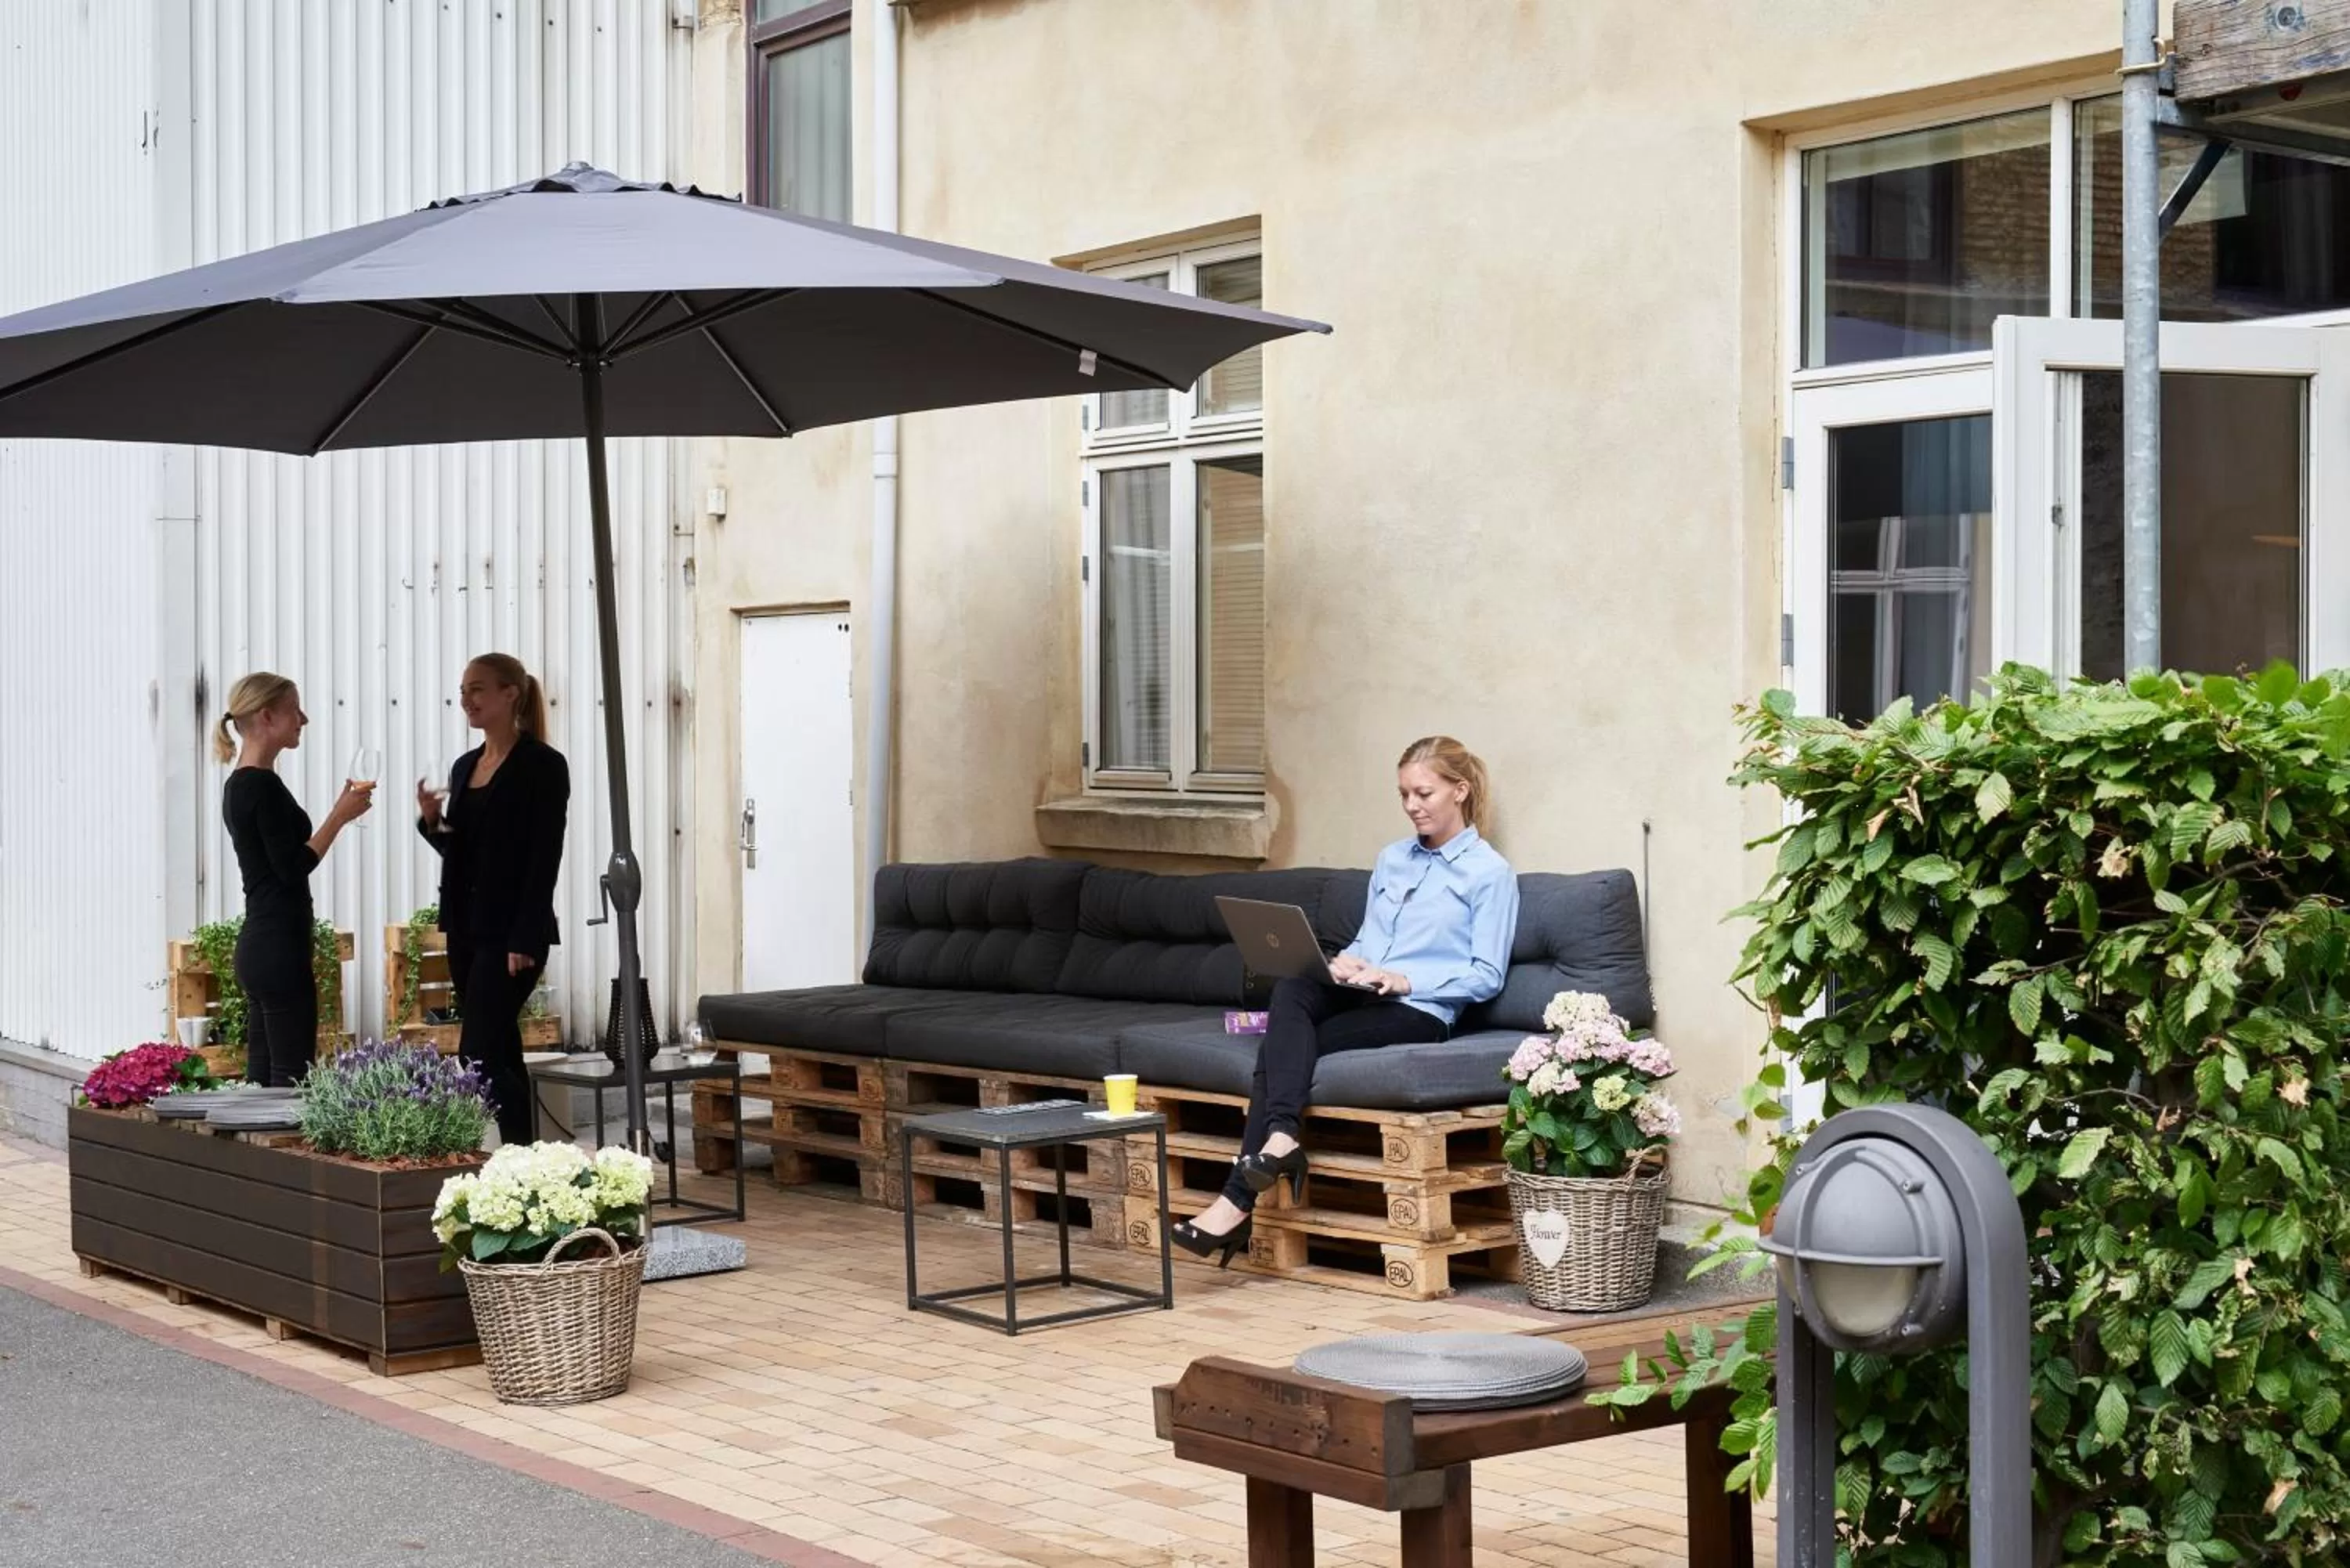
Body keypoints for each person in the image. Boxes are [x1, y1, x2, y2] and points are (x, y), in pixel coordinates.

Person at [1172, 736, 1520, 1266]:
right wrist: (1346, 962)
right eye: (1403, 794)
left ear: (1460, 790)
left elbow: (1486, 975)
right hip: (1361, 993)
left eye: (1423, 793)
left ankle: (1235, 1201)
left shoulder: (1489, 874)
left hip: (1418, 1010)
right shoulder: (1393, 859)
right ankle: (1282, 1138)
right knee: (1293, 986)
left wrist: (1403, 980)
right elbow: (1369, 939)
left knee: (1283, 1051)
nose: (1412, 806)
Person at [418, 654, 569, 1147]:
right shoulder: (465, 767)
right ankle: (526, 1159)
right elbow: (460, 852)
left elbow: (544, 856)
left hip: (512, 936)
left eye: (477, 689)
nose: (467, 700)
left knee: (479, 1051)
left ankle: (521, 1158)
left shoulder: (542, 766)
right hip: (466, 931)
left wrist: (524, 934)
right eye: (463, 691)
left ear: (511, 694)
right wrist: (432, 819)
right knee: (502, 1050)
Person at [216, 674, 374, 1087]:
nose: (303, 718)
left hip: (260, 946)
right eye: (294, 710)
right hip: (279, 946)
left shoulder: (239, 784)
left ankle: (248, 1154)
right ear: (267, 716)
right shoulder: (261, 786)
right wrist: (339, 816)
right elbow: (292, 867)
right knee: (291, 1084)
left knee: (262, 1081)